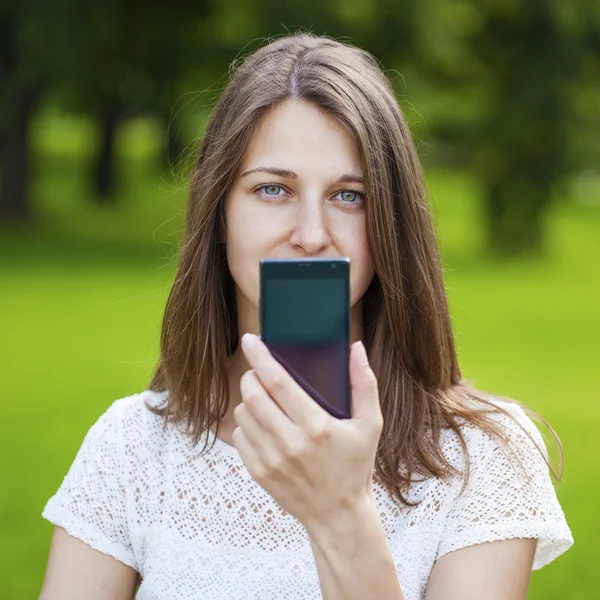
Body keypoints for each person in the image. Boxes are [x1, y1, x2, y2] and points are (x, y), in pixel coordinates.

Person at [39, 32, 574, 600]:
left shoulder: (482, 457)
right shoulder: (131, 446)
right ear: (218, 214)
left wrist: (341, 516)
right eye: (273, 189)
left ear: (390, 222)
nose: (313, 236)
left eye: (350, 196)